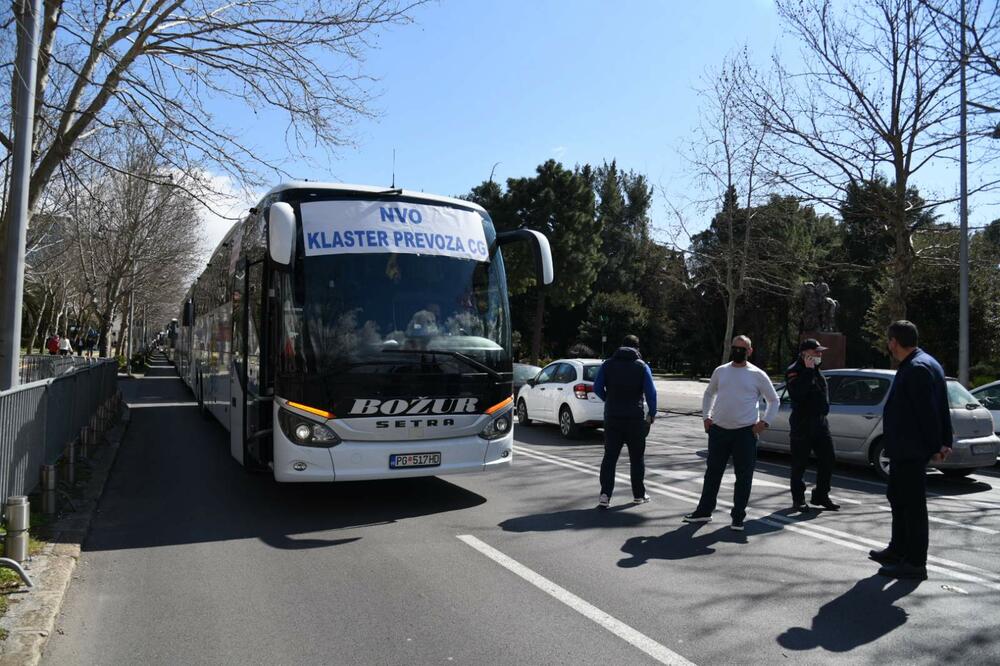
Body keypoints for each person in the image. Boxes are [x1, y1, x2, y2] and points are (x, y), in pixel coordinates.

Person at [869, 320, 952, 581]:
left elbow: (929, 413)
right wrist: (943, 440)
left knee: (912, 507)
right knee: (898, 499)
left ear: (894, 342)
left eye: (888, 341)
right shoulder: (922, 363)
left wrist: (938, 445)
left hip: (911, 450)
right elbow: (941, 407)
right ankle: (898, 549)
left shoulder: (917, 368)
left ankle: (915, 563)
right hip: (904, 449)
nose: (888, 345)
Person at [684, 335, 780, 531]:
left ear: (749, 351)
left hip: (745, 433)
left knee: (743, 477)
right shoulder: (721, 371)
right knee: (712, 473)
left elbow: (774, 400)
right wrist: (706, 417)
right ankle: (704, 512)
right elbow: (709, 393)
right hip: (718, 431)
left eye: (742, 348)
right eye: (735, 347)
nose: (738, 351)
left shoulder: (757, 374)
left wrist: (764, 423)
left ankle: (738, 517)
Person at [593, 334, 657, 509]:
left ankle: (605, 495)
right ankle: (639, 494)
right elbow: (651, 393)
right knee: (637, 458)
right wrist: (652, 412)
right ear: (637, 348)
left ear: (621, 346)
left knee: (610, 457)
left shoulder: (608, 364)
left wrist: (609, 399)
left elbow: (597, 388)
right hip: (634, 419)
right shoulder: (641, 367)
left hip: (612, 417)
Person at [785, 339, 840, 512]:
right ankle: (798, 499)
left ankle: (821, 495)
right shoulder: (795, 371)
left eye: (820, 352)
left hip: (820, 423)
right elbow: (797, 394)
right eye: (816, 352)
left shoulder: (818, 371)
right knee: (799, 463)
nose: (819, 354)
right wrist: (808, 372)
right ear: (805, 353)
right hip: (802, 423)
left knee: (828, 459)